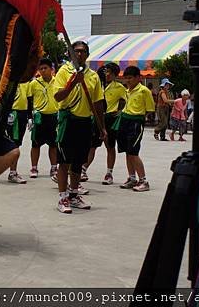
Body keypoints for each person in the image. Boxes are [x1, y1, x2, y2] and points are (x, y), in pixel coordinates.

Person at [54, 41, 106, 214]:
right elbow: (58, 96)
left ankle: (74, 195)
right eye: (76, 51)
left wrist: (102, 127)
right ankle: (63, 198)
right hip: (68, 120)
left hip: (85, 122)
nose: (79, 54)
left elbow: (98, 103)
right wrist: (73, 83)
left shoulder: (93, 76)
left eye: (83, 51)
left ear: (87, 54)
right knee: (64, 161)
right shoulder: (64, 71)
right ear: (71, 53)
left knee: (78, 161)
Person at [82, 63, 127, 185]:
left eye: (109, 72)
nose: (106, 74)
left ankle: (109, 173)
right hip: (97, 118)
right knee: (92, 145)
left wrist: (120, 112)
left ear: (115, 75)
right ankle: (83, 169)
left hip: (110, 118)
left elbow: (127, 100)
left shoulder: (119, 87)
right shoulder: (97, 85)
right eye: (105, 72)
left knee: (110, 146)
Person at [117, 66, 156, 192]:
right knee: (127, 152)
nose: (128, 81)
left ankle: (143, 180)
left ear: (138, 78)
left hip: (136, 122)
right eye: (126, 78)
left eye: (130, 78)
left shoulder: (144, 91)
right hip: (125, 120)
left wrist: (139, 118)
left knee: (134, 152)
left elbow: (150, 109)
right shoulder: (127, 91)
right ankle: (132, 178)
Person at [28, 58, 58, 179]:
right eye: (41, 69)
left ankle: (54, 168)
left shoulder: (57, 82)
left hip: (54, 116)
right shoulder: (34, 83)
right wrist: (29, 117)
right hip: (39, 116)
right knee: (35, 144)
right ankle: (34, 167)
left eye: (45, 68)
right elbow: (29, 102)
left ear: (52, 69)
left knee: (53, 144)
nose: (43, 71)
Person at [4, 81, 29, 184]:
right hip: (8, 112)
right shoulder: (6, 80)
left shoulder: (26, 82)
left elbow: (29, 99)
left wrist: (30, 116)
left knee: (16, 143)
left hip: (21, 113)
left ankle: (13, 173)